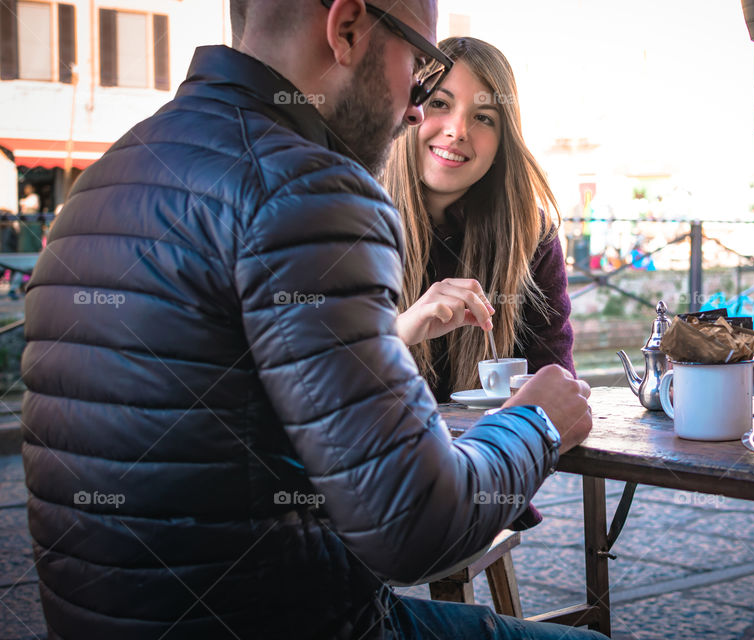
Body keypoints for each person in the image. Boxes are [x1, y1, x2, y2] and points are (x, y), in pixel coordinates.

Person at [21, 1, 597, 639]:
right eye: (421, 64)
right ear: (348, 28)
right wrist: (536, 421)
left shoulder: (106, 178)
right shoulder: (308, 188)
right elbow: (413, 528)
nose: (414, 106)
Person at [384, 37, 574, 404]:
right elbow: (307, 387)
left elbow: (555, 394)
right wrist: (399, 332)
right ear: (410, 111)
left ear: (503, 142)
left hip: (492, 455)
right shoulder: (348, 218)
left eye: (483, 117)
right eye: (440, 103)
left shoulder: (531, 237)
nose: (458, 130)